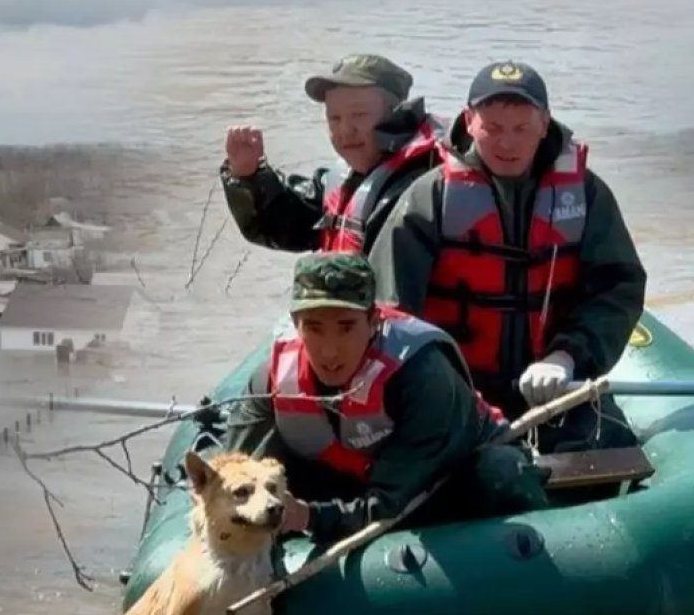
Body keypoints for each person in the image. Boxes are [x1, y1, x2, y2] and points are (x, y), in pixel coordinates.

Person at [369, 60, 646, 454]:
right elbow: (390, 311)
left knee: (613, 448)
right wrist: (433, 384)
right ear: (469, 120)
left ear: (544, 124)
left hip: (556, 383)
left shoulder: (586, 193)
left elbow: (618, 289)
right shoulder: (429, 197)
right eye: (493, 128)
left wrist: (567, 356)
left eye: (521, 129)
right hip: (454, 389)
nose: (507, 144)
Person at [222, 252, 548, 544]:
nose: (330, 351)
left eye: (347, 327)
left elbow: (393, 502)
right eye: (315, 328)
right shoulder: (271, 380)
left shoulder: (421, 375)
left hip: (439, 483)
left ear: (374, 322)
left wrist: (308, 518)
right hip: (349, 481)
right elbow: (234, 479)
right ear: (296, 325)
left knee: (501, 472)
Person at [220, 54, 447, 255]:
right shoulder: (338, 180)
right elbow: (283, 226)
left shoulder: (430, 185)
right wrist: (248, 176)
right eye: (334, 118)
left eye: (359, 114)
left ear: (398, 116)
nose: (344, 130)